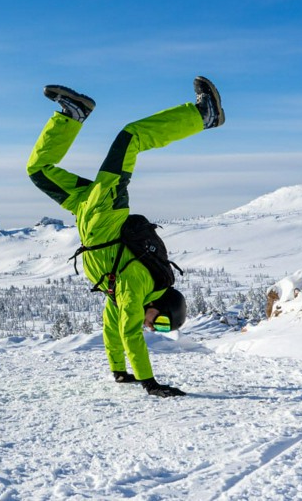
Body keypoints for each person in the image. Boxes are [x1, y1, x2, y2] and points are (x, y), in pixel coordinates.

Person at [26, 77, 224, 397]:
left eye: (158, 329)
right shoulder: (139, 285)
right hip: (106, 211)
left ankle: (72, 114)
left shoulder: (127, 294)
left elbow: (112, 327)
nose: (152, 328)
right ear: (163, 306)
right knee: (130, 137)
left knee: (39, 170)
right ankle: (204, 116)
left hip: (86, 211)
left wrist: (119, 371)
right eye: (160, 323)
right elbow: (130, 333)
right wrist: (149, 382)